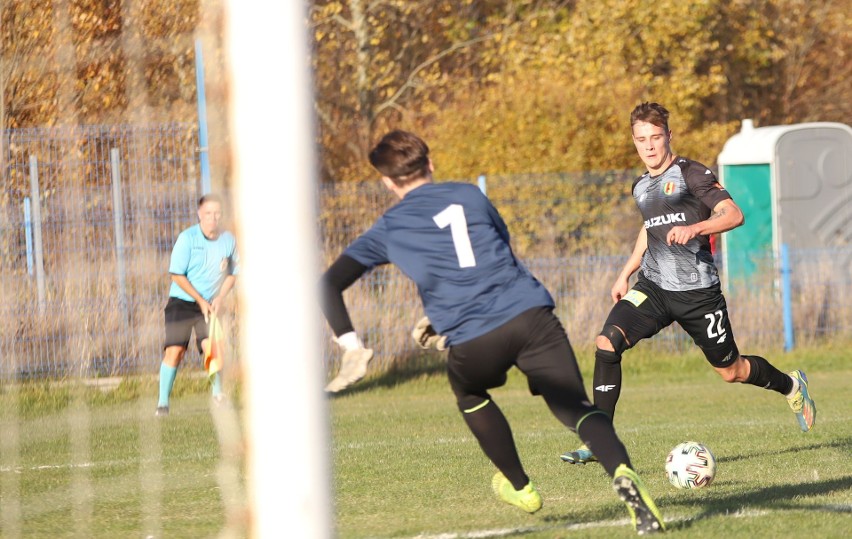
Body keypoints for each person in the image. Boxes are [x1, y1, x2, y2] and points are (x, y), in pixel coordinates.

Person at [320, 130, 665, 534]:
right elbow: (500, 246)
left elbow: (327, 284)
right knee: (574, 406)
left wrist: (351, 344)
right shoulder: (468, 195)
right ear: (430, 165)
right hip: (531, 315)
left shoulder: (390, 227)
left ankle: (521, 487)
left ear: (387, 182)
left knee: (468, 392)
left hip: (472, 336)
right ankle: (621, 470)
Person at [560, 103, 816, 465]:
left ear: (668, 136)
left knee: (732, 371)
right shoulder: (640, 187)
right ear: (634, 142)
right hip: (654, 288)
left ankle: (791, 386)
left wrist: (696, 228)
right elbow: (650, 229)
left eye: (656, 137)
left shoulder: (692, 174)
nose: (649, 147)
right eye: (641, 140)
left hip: (698, 295)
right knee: (607, 343)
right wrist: (626, 271)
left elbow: (734, 214)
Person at [156, 193, 239, 416]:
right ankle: (162, 403)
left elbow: (233, 273)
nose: (213, 218)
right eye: (208, 213)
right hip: (182, 302)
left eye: (217, 213)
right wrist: (199, 300)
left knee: (212, 346)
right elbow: (176, 275)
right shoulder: (187, 238)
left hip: (211, 305)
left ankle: (218, 394)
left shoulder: (228, 240)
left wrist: (220, 297)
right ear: (199, 214)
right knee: (175, 351)